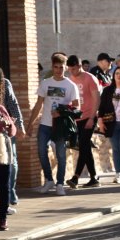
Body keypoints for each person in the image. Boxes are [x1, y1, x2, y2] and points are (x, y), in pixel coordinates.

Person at [27, 54, 80, 196]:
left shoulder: (70, 85)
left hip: (60, 126)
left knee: (61, 156)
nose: (58, 70)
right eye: (56, 67)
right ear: (52, 67)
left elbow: (76, 106)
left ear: (65, 68)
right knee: (41, 151)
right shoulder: (45, 83)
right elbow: (38, 104)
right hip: (45, 124)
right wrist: (30, 124)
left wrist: (61, 112)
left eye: (61, 67)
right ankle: (49, 180)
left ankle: (60, 184)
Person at [65, 55, 101, 189]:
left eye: (73, 69)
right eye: (69, 69)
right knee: (84, 147)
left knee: (84, 144)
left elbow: (97, 99)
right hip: (76, 118)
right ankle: (94, 177)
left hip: (89, 116)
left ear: (79, 66)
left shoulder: (90, 78)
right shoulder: (70, 79)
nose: (71, 72)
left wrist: (92, 118)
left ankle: (76, 177)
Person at [0, 67, 25, 212]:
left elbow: (14, 105)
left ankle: (9, 194)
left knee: (11, 163)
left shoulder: (5, 84)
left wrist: (19, 126)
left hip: (5, 132)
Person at [0, 85, 16, 231]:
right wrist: (0, 124)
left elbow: (12, 131)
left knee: (4, 187)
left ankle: (3, 218)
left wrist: (10, 126)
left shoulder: (1, 108)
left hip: (3, 153)